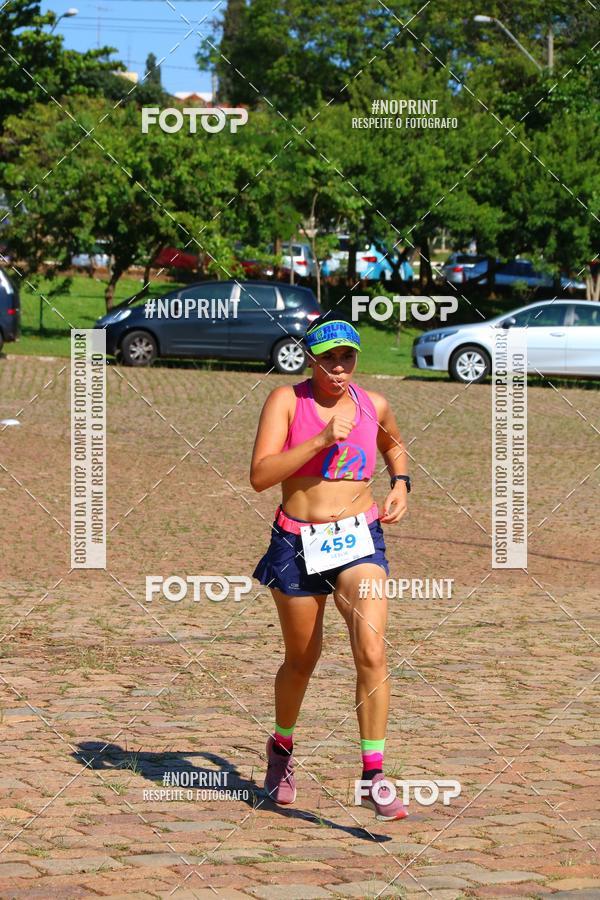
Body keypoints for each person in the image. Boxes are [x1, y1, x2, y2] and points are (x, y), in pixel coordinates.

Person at [249, 313, 411, 821]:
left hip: (359, 540)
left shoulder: (373, 404)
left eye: (347, 357)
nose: (338, 369)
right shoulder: (286, 401)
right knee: (302, 660)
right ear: (311, 358)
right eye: (328, 358)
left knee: (372, 650)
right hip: (297, 542)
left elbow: (394, 444)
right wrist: (319, 441)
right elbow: (259, 475)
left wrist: (401, 482)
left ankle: (374, 774)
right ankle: (282, 747)